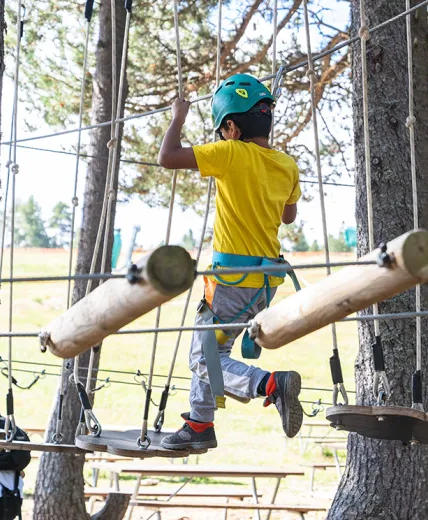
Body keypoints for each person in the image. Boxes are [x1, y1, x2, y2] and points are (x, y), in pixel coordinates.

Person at [157, 73, 303, 450]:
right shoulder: (286, 164)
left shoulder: (231, 153)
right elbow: (288, 217)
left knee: (203, 358)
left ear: (232, 128)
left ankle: (269, 384)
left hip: (232, 281)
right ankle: (200, 425)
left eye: (222, 132)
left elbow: (168, 158)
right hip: (266, 283)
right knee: (209, 347)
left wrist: (178, 118)